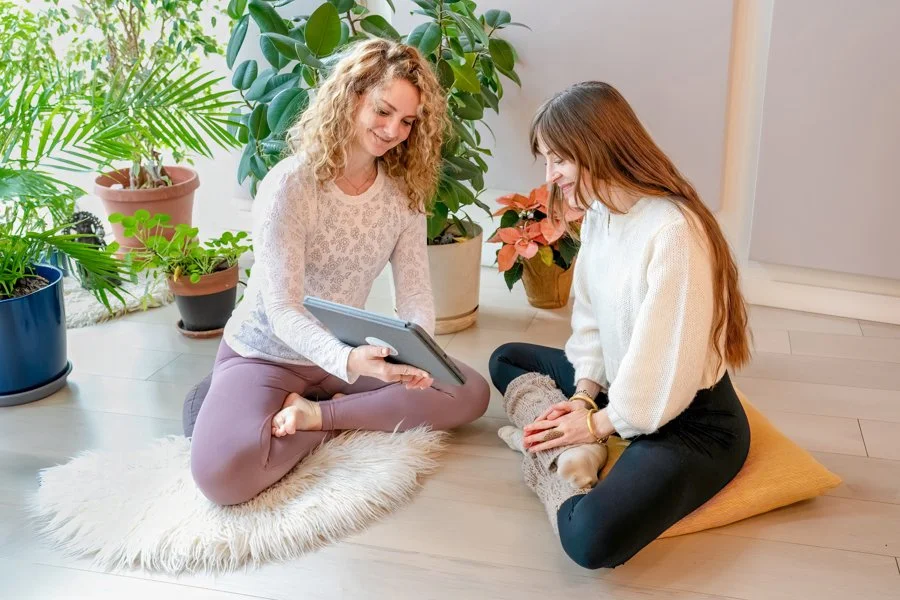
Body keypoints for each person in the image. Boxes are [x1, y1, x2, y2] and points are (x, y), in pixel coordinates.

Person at [185, 39, 490, 506]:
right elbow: (283, 308)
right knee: (222, 479)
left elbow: (414, 296)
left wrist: (414, 352)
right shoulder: (291, 183)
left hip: (350, 352)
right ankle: (251, 401)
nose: (394, 131)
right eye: (383, 111)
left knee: (469, 394)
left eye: (408, 122)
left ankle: (315, 417)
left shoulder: (405, 192)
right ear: (350, 96)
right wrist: (346, 362)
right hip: (268, 353)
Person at [489, 81, 752, 569]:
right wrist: (582, 398)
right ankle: (572, 446)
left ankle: (553, 460)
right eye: (546, 160)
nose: (552, 175)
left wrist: (590, 429)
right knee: (507, 357)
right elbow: (589, 323)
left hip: (688, 420)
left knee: (590, 539)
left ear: (597, 148)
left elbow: (663, 380)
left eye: (559, 159)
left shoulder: (673, 233)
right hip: (619, 387)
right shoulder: (601, 214)